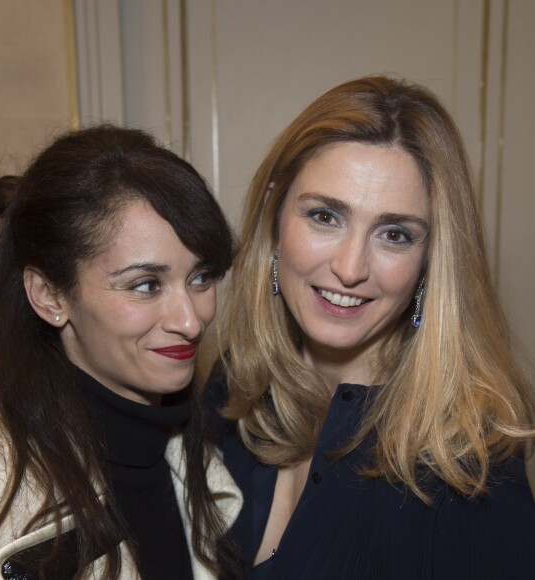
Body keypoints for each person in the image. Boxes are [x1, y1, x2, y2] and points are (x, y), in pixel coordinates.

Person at [206, 76, 535, 579]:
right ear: (275, 213)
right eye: (324, 216)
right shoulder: (235, 389)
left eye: (395, 234)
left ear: (431, 259)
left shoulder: (470, 462)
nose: (351, 267)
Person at [0, 125, 242, 579]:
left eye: (200, 277)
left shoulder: (197, 459)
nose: (191, 321)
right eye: (146, 285)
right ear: (50, 296)